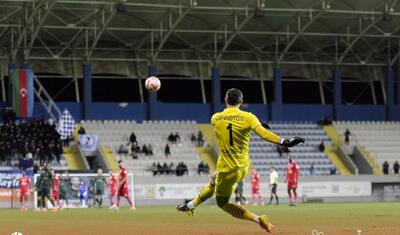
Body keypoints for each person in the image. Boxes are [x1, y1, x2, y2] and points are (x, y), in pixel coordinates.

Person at [176, 88, 304, 233]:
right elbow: (264, 134)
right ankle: (191, 205)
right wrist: (285, 141)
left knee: (222, 203)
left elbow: (230, 124)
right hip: (242, 165)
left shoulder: (215, 118)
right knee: (213, 180)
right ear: (241, 102)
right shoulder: (249, 118)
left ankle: (258, 219)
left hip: (227, 168)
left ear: (225, 100)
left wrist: (256, 124)